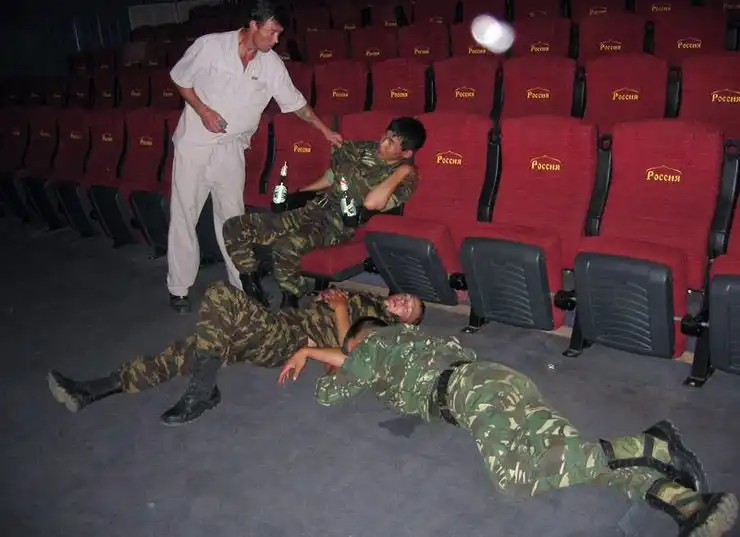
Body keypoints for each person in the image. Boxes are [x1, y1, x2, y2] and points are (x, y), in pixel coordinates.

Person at [278, 319, 738, 537]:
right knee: (567, 454)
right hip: (496, 379)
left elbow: (329, 393)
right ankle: (684, 502)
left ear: (360, 340)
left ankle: (648, 443)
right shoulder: (412, 338)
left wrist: (312, 352)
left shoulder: (372, 348)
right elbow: (356, 358)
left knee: (514, 480)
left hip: (469, 395)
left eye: (350, 347)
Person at [166, 0, 343, 314]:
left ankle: (242, 284)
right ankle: (179, 288)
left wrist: (325, 130)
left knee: (233, 219)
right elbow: (180, 78)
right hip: (195, 143)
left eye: (279, 34)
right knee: (184, 215)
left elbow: (296, 103)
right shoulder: (210, 46)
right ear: (253, 25)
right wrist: (203, 111)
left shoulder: (270, 63)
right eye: (272, 32)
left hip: (232, 148)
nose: (276, 40)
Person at [46, 285, 424, 426]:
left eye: (410, 308)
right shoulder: (367, 299)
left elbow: (350, 354)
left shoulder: (383, 330)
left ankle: (201, 392)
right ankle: (94, 389)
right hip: (281, 324)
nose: (405, 302)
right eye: (407, 297)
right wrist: (331, 298)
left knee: (220, 294)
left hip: (286, 340)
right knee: (194, 348)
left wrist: (339, 310)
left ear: (406, 323)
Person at [222, 117, 427, 310]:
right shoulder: (361, 148)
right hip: (313, 209)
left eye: (392, 142)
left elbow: (372, 203)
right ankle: (252, 287)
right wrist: (298, 195)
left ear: (406, 153)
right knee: (235, 226)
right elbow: (331, 177)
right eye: (386, 135)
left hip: (336, 224)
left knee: (286, 246)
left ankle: (291, 296)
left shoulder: (405, 179)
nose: (383, 142)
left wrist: (402, 171)